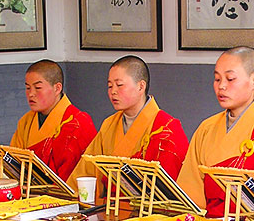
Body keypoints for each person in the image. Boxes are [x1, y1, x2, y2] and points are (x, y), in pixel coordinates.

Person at [177, 46, 254, 217]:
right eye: (217, 79)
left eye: (230, 78)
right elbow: (190, 193)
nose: (222, 86)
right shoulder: (206, 129)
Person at [67, 55, 189, 196]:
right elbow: (85, 172)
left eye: (119, 85)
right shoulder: (109, 125)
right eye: (109, 86)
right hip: (108, 208)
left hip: (146, 212)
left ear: (140, 86)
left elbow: (168, 191)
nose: (113, 91)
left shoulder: (166, 128)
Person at [10, 59, 97, 182]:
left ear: (57, 88)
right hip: (28, 193)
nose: (31, 94)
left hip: (64, 196)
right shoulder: (26, 122)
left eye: (38, 88)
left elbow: (78, 175)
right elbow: (13, 164)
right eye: (28, 88)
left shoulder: (77, 122)